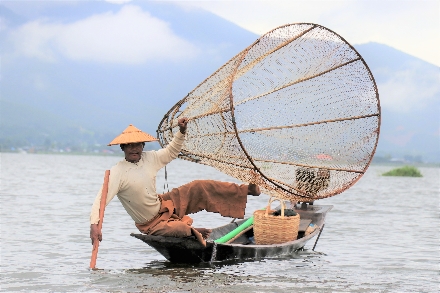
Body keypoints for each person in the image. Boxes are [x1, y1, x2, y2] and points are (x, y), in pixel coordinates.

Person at [90, 117, 260, 247]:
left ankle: (247, 190)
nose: (134, 149)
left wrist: (182, 131)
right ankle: (192, 232)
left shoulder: (150, 158)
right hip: (151, 225)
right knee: (178, 229)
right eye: (130, 146)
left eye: (137, 145)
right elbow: (100, 201)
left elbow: (171, 151)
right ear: (123, 148)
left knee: (200, 186)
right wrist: (94, 226)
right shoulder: (117, 172)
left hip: (163, 204)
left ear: (142, 146)